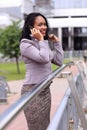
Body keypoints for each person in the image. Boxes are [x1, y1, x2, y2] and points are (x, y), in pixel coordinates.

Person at [19, 12, 64, 130]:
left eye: (45, 24)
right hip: (33, 92)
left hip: (45, 91)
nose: (44, 27)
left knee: (45, 126)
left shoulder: (43, 43)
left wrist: (57, 43)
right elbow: (43, 59)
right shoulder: (25, 44)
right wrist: (41, 40)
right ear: (31, 27)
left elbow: (59, 61)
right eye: (40, 25)